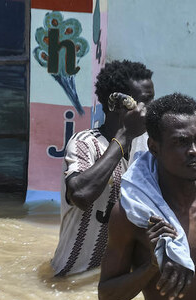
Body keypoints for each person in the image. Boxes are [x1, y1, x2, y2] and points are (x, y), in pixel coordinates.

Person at [98, 93, 196, 300]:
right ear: (154, 148)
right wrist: (152, 267)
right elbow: (107, 298)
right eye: (181, 142)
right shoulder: (134, 214)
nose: (195, 151)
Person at [51, 59, 154, 276]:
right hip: (71, 278)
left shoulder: (149, 145)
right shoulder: (84, 143)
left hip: (116, 281)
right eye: (144, 102)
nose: (149, 110)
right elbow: (80, 194)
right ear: (116, 104)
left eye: (151, 101)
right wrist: (124, 136)